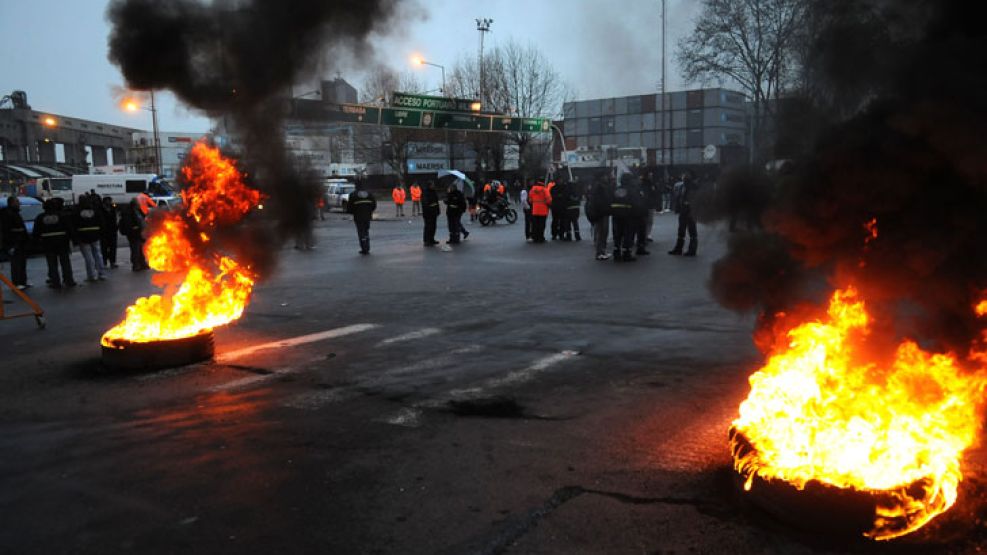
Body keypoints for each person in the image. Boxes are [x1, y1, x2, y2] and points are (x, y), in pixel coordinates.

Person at [33, 199, 77, 287]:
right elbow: (69, 228)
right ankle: (69, 280)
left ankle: (55, 282)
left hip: (48, 243)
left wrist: (36, 242)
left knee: (52, 264)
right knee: (65, 262)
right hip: (62, 242)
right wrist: (73, 240)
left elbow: (36, 232)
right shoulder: (62, 215)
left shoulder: (40, 217)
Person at [73, 196, 108, 282]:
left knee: (88, 257)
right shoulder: (95, 211)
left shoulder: (77, 212)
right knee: (98, 254)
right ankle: (102, 273)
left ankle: (92, 275)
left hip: (83, 236)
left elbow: (74, 225)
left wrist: (75, 238)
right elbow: (102, 223)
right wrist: (102, 233)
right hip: (95, 234)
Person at [610, 173, 642, 262]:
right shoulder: (632, 190)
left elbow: (610, 201)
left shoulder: (616, 189)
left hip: (616, 215)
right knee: (628, 234)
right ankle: (626, 253)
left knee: (617, 235)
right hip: (628, 216)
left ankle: (616, 252)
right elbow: (636, 204)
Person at [0, 196, 30, 288]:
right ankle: (17, 283)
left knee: (21, 262)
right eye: (17, 201)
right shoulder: (8, 214)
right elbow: (7, 230)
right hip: (14, 242)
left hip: (19, 241)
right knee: (16, 263)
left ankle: (22, 281)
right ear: (12, 203)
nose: (19, 203)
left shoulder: (14, 213)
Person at [668, 172, 699, 256]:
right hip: (683, 210)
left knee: (692, 230)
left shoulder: (693, 186)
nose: (684, 177)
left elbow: (695, 199)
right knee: (681, 230)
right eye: (683, 175)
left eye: (685, 175)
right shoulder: (682, 186)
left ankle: (692, 250)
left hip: (690, 211)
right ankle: (678, 249)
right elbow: (679, 197)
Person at [585, 175, 612, 260]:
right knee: (602, 233)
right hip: (602, 213)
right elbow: (601, 201)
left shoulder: (596, 187)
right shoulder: (600, 188)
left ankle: (602, 251)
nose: (606, 177)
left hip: (600, 212)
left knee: (602, 233)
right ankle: (600, 252)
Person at [119, 198, 149, 271]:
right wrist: (134, 229)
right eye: (139, 204)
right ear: (135, 204)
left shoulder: (138, 211)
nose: (140, 205)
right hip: (134, 234)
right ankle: (136, 265)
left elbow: (142, 220)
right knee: (135, 250)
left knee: (141, 250)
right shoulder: (128, 213)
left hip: (140, 233)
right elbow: (128, 225)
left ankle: (142, 263)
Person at [348, 182, 377, 254]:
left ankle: (364, 247)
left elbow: (349, 207)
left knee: (361, 232)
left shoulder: (353, 195)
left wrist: (353, 212)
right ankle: (367, 247)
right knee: (366, 231)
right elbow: (374, 204)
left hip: (358, 216)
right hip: (367, 216)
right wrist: (370, 211)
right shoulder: (369, 194)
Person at [100, 196, 119, 268]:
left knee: (113, 248)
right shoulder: (100, 210)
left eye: (110, 201)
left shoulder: (113, 208)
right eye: (108, 201)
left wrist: (116, 227)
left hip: (112, 231)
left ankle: (112, 262)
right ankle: (104, 262)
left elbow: (115, 218)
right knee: (104, 248)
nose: (110, 202)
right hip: (104, 232)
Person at [421, 180, 440, 246]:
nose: (433, 186)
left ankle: (432, 239)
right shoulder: (425, 193)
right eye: (432, 185)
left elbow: (436, 202)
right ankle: (427, 240)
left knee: (433, 226)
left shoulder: (433, 192)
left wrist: (438, 211)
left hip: (434, 212)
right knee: (428, 227)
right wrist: (429, 210)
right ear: (429, 185)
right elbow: (425, 204)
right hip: (428, 213)